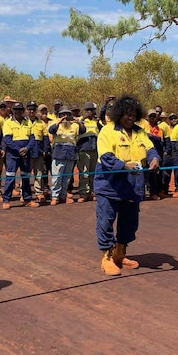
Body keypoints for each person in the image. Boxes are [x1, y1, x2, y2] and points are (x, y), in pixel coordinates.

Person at [94, 96, 160, 276]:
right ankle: (106, 257)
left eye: (133, 114)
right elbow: (106, 157)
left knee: (130, 223)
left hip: (133, 186)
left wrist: (154, 159)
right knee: (105, 221)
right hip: (109, 185)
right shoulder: (107, 131)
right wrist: (124, 165)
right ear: (118, 114)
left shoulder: (140, 132)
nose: (130, 117)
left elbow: (150, 149)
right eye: (126, 114)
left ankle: (120, 254)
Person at [1, 102, 39, 209]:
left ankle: (27, 199)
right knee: (10, 177)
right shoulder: (8, 123)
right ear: (13, 111)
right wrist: (19, 150)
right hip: (12, 155)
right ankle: (6, 200)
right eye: (16, 110)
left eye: (20, 110)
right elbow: (7, 140)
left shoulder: (28, 122)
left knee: (26, 177)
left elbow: (32, 139)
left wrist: (26, 149)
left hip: (26, 154)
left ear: (23, 111)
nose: (18, 112)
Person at [49, 106, 85, 205]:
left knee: (67, 178)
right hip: (59, 154)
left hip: (71, 154)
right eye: (63, 115)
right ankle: (55, 197)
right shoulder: (56, 124)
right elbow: (50, 130)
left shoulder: (75, 125)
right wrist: (59, 121)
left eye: (67, 115)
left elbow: (83, 130)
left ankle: (63, 196)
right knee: (57, 177)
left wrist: (78, 122)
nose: (65, 116)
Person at [76, 101, 100, 202]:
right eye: (88, 110)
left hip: (94, 149)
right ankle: (83, 194)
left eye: (92, 110)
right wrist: (83, 119)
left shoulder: (96, 122)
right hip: (83, 149)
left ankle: (93, 192)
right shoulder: (79, 121)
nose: (90, 112)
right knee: (84, 173)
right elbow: (79, 131)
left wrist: (98, 121)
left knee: (93, 173)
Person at [28, 100, 49, 202]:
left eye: (33, 109)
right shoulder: (23, 121)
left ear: (36, 111)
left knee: (39, 174)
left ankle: (39, 192)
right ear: (27, 110)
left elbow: (45, 138)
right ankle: (25, 192)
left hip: (39, 152)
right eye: (29, 109)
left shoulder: (41, 123)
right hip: (27, 153)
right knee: (26, 174)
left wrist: (45, 150)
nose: (31, 111)